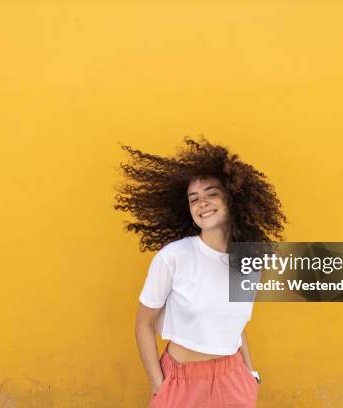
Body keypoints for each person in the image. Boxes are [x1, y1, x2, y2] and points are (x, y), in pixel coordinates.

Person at [114, 137, 287, 407]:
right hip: (182, 385)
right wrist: (160, 387)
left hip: (234, 382)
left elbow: (236, 327)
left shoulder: (248, 261)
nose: (202, 203)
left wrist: (251, 374)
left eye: (212, 194)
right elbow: (143, 324)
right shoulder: (174, 257)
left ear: (233, 198)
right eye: (194, 199)